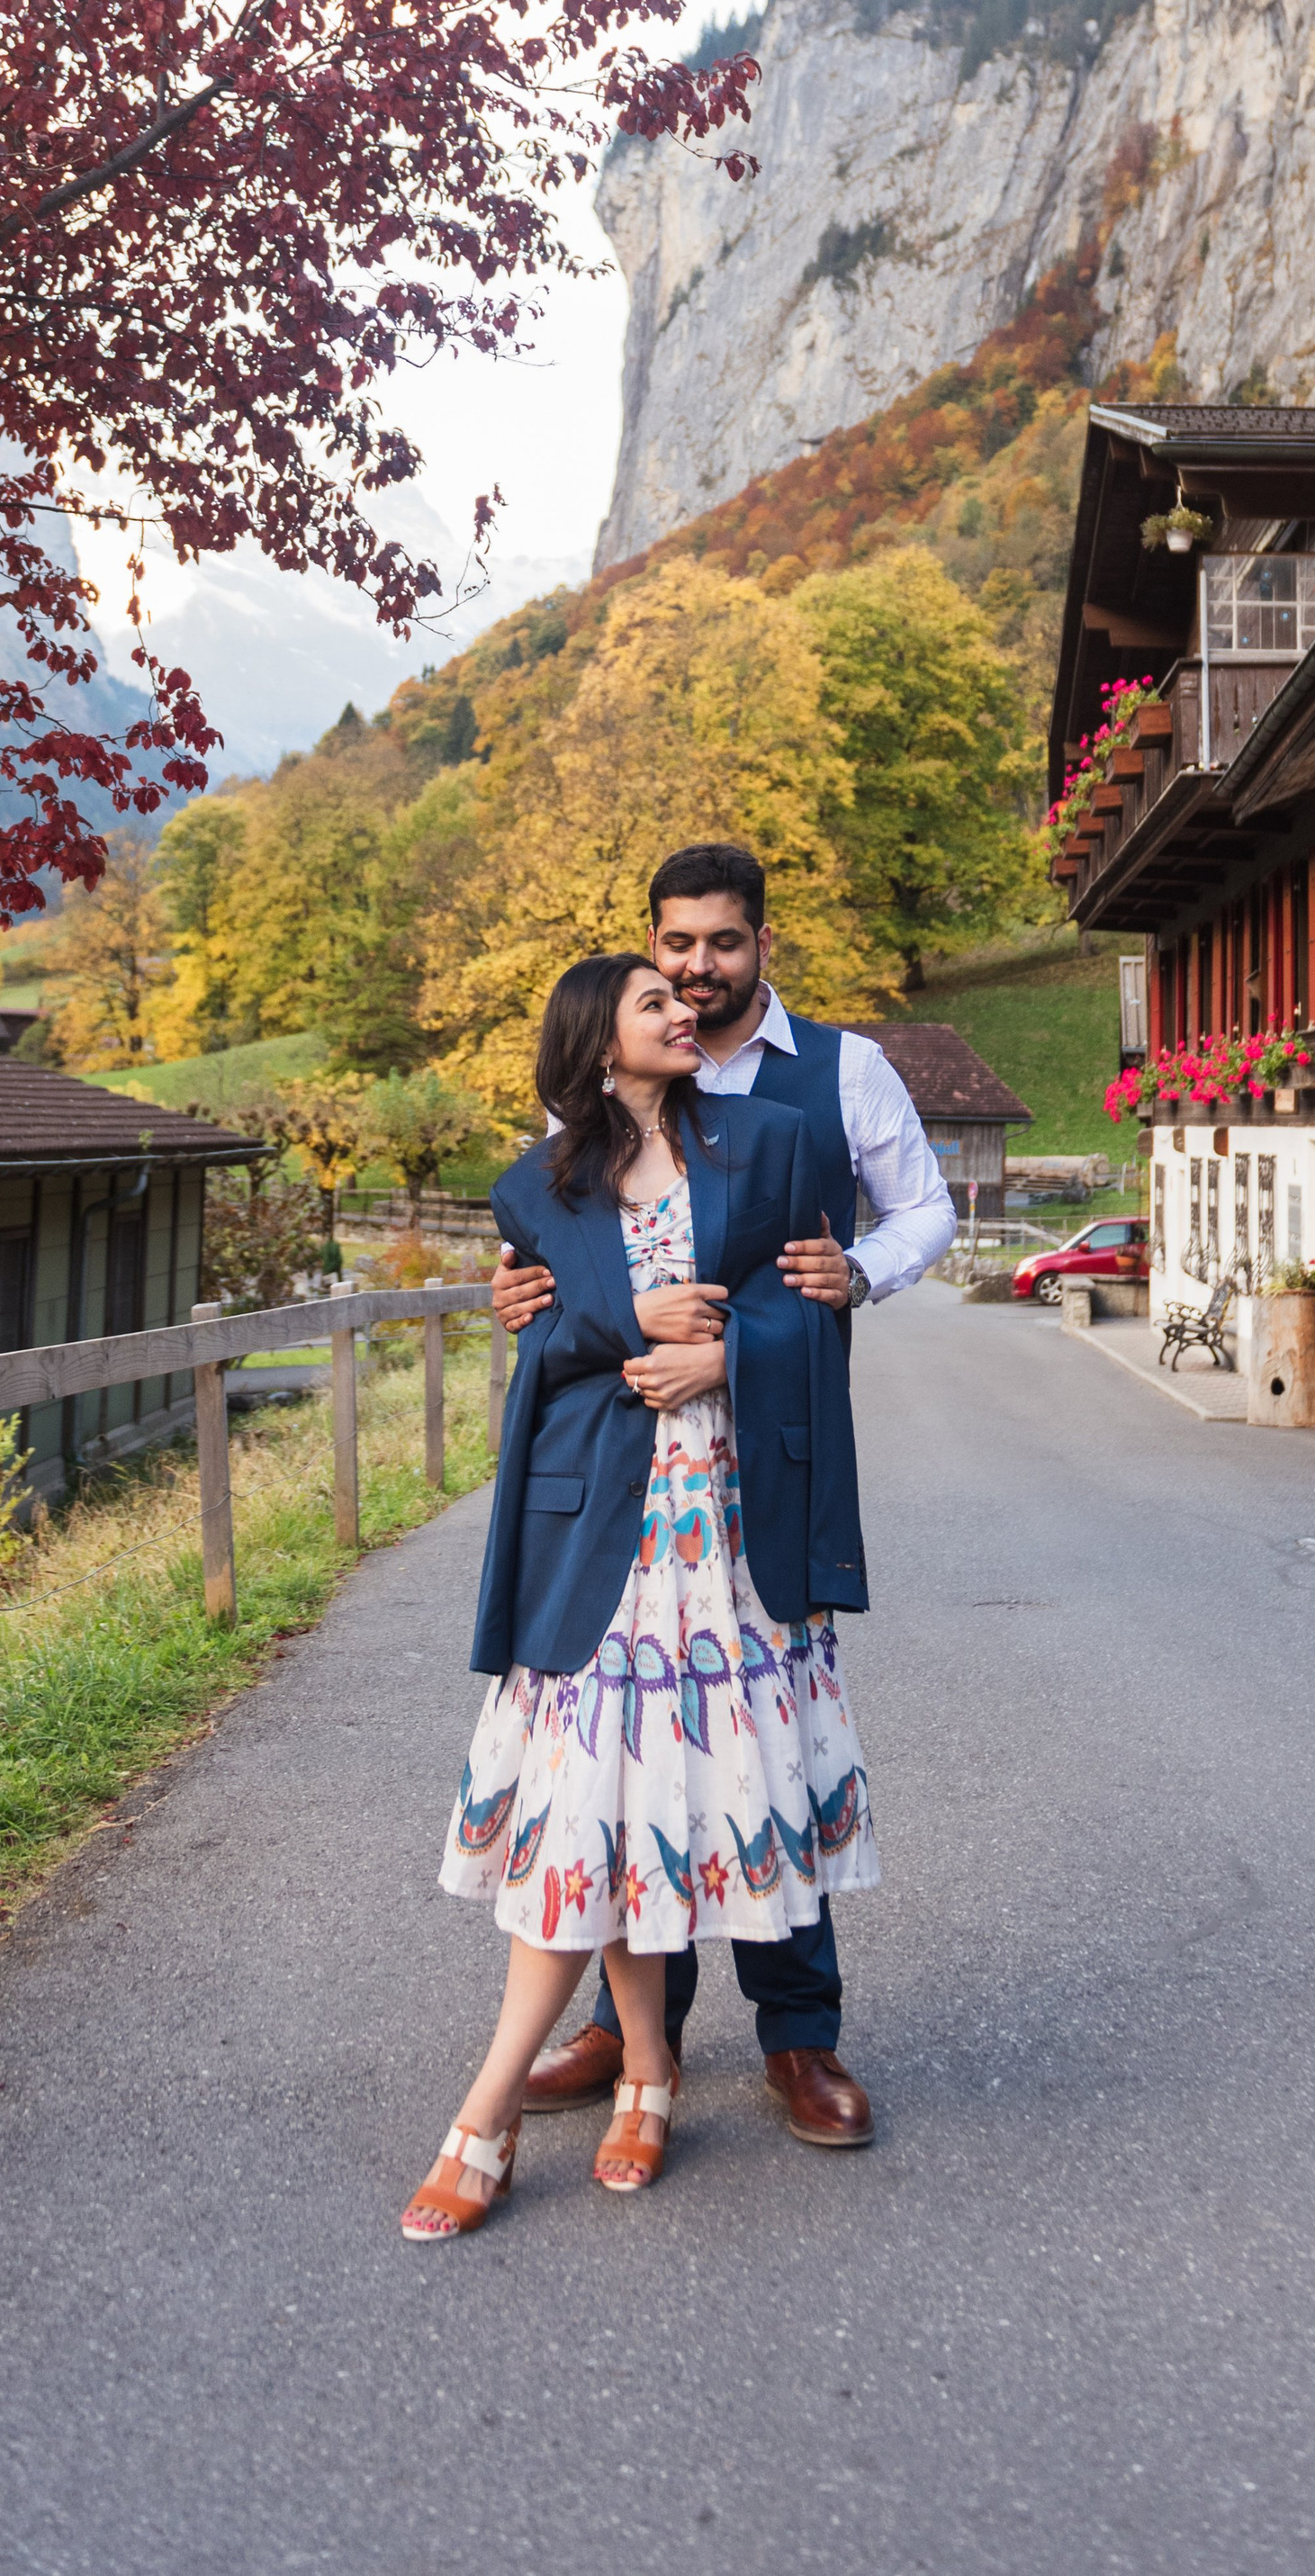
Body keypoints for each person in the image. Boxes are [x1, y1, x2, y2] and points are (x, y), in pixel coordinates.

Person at [491, 842, 955, 2148]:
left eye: (722, 944)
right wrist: (526, 1295)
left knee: (759, 1732)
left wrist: (854, 1275)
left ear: (763, 943)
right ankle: (634, 2033)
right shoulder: (590, 1117)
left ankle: (800, 2034)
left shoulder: (836, 1075)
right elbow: (559, 1263)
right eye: (675, 948)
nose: (697, 971)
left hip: (766, 1452)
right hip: (631, 1483)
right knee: (638, 1743)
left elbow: (920, 1212)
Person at [403, 950, 871, 2239]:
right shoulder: (538, 1187)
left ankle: (665, 2068)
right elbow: (545, 1348)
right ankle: (604, 2074)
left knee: (675, 1792)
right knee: (594, 1804)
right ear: (600, 1045)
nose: (684, 1008)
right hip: (602, 1537)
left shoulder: (770, 1143)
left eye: (685, 996)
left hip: (732, 1532)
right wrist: (620, 1329)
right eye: (654, 1002)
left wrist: (725, 1357)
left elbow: (815, 1312)